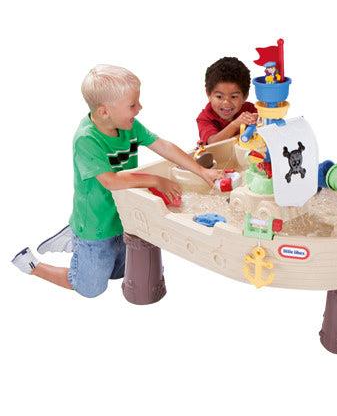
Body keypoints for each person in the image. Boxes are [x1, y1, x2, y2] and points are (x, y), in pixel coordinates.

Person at [12, 64, 223, 298]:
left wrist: (201, 171)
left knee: (120, 272)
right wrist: (155, 180)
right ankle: (35, 266)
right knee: (90, 288)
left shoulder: (128, 126)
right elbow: (110, 181)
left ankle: (84, 255)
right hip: (95, 225)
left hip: (122, 215)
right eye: (132, 105)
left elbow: (162, 145)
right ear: (105, 112)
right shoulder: (86, 139)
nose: (140, 108)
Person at [196, 56, 258, 144]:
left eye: (233, 97)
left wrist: (259, 119)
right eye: (219, 96)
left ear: (245, 96)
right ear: (208, 94)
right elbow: (212, 143)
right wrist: (235, 124)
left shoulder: (250, 109)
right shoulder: (205, 118)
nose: (226, 103)